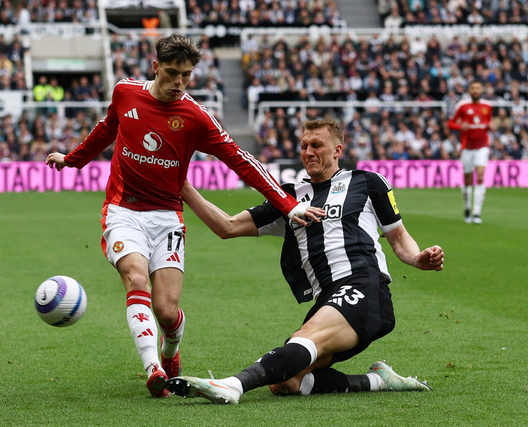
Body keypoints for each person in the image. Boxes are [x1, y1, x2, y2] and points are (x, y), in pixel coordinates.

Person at [45, 34, 313, 398]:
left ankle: (170, 354)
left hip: (168, 217)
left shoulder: (196, 117)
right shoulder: (126, 93)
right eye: (172, 73)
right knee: (136, 279)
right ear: (155, 67)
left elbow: (240, 161)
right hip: (124, 210)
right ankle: (153, 369)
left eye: (187, 75)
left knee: (167, 311)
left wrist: (288, 204)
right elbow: (107, 128)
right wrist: (72, 159)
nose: (179, 83)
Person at [166, 119, 444, 404]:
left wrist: (417, 257)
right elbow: (227, 226)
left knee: (304, 341)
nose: (308, 151)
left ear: (337, 150)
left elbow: (398, 238)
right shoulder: (289, 197)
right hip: (327, 300)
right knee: (286, 380)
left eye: (316, 145)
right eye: (304, 146)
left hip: (364, 286)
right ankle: (378, 381)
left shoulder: (367, 183)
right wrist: (183, 186)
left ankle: (233, 385)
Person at [448, 80, 495, 224]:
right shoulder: (462, 106)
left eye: (478, 88)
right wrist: (460, 126)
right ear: (469, 90)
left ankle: (476, 212)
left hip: (482, 146)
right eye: (473, 88)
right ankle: (467, 207)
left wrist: (491, 126)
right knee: (468, 180)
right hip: (467, 148)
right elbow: (450, 123)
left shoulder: (487, 106)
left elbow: (488, 123)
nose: (476, 90)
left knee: (480, 176)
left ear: (482, 90)